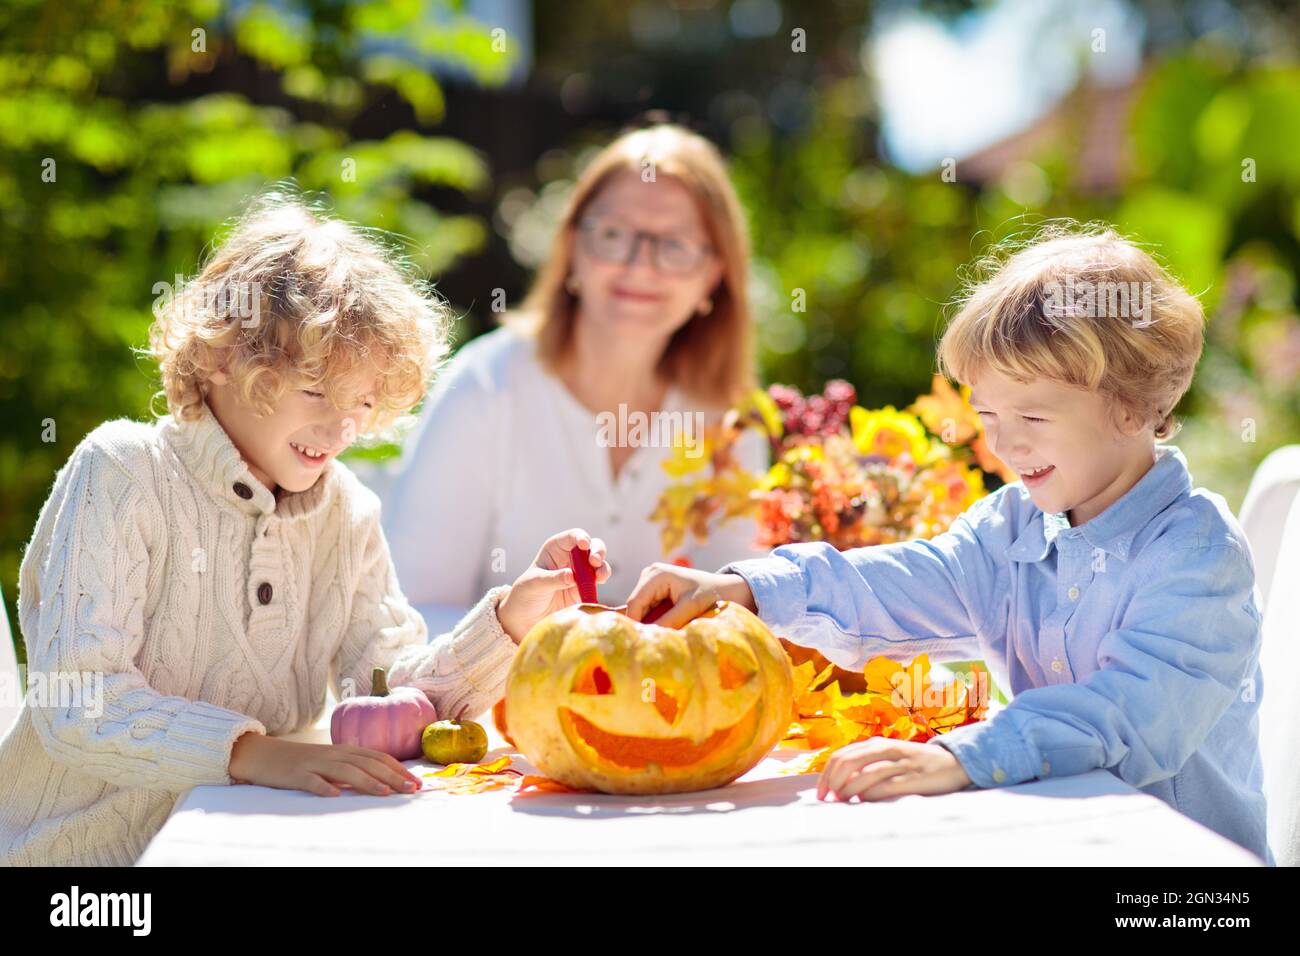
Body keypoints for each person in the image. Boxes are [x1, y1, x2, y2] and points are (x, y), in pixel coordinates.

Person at [625, 224, 1274, 865]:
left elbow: (1131, 712)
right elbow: (906, 581)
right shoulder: (1012, 528)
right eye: (988, 416)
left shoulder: (1195, 554)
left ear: (1131, 408)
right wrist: (749, 588)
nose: (1005, 445)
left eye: (1033, 417)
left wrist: (963, 754)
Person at [0, 190, 610, 866]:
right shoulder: (123, 472)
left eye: (364, 403)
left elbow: (389, 695)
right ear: (224, 358)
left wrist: (510, 623)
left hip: (249, 847)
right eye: (317, 392)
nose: (341, 428)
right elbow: (79, 701)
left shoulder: (346, 513)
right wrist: (254, 754)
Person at [385, 124, 768, 635]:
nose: (638, 266)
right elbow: (408, 613)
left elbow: (735, 617)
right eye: (613, 235)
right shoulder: (485, 387)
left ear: (714, 277)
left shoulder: (732, 421)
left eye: (674, 246)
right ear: (572, 249)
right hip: (490, 708)